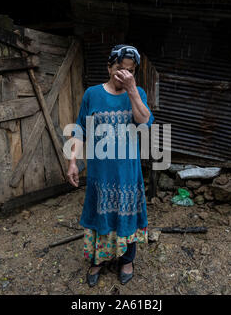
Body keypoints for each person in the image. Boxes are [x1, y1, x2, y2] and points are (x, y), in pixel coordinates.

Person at [67, 44, 154, 287]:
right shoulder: (92, 94)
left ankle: (127, 259)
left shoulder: (138, 94)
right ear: (109, 67)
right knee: (99, 213)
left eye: (130, 71)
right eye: (119, 69)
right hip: (99, 173)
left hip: (127, 172)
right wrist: (73, 161)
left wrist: (132, 90)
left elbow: (145, 122)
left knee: (128, 214)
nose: (124, 75)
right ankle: (99, 260)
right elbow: (79, 129)